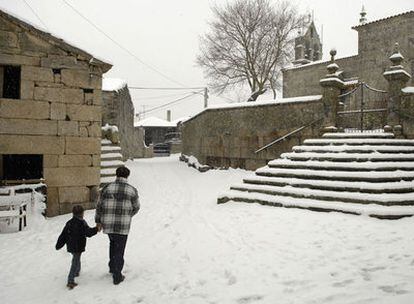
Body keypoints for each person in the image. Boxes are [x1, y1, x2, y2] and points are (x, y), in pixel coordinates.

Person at [95, 166, 140, 285]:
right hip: (123, 225)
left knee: (113, 244)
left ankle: (112, 266)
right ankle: (117, 276)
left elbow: (99, 206)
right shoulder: (132, 190)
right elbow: (136, 207)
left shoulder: (107, 188)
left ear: (116, 175)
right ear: (127, 176)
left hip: (108, 223)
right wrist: (127, 215)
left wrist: (98, 221)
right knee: (119, 249)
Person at [56, 205, 100, 289]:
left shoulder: (69, 223)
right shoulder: (82, 223)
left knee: (76, 258)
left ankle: (76, 271)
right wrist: (96, 229)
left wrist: (59, 245)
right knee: (75, 261)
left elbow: (63, 235)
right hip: (78, 246)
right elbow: (88, 233)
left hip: (71, 246)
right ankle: (70, 280)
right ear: (82, 213)